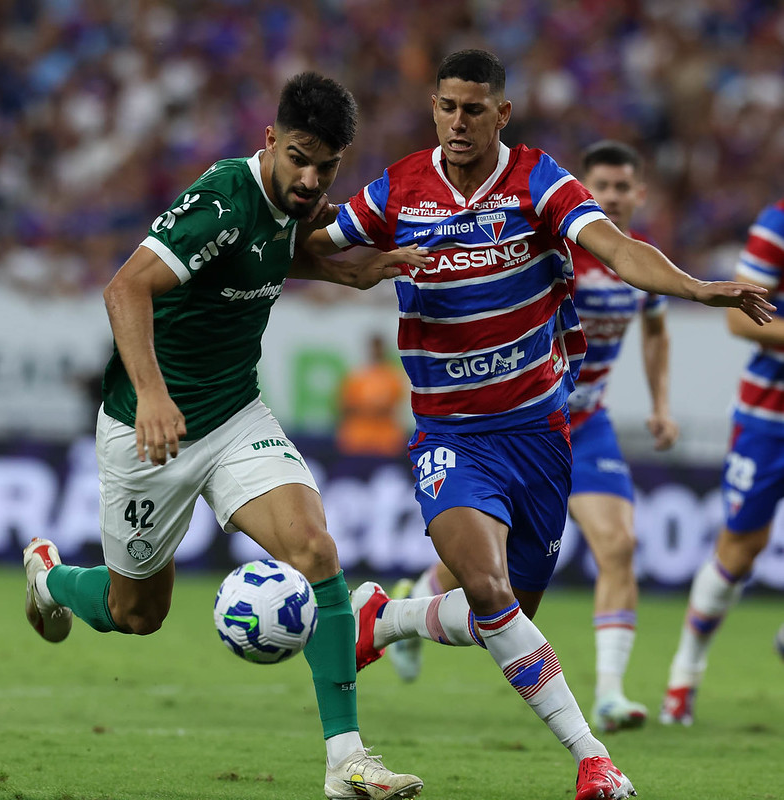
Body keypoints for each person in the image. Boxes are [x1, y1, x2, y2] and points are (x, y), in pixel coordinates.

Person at [300, 49, 773, 800]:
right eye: (447, 106)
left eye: (474, 108)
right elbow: (306, 247)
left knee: (505, 613)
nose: (459, 122)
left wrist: (698, 289)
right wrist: (348, 268)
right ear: (432, 107)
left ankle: (384, 619)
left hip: (538, 436)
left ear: (501, 113)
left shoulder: (537, 179)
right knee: (488, 590)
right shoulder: (396, 190)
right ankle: (594, 760)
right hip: (450, 435)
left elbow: (616, 249)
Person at [22, 72, 429, 800]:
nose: (309, 179)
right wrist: (151, 394)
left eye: (325, 166)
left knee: (317, 551)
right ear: (269, 141)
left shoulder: (284, 207)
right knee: (136, 613)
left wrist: (352, 273)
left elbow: (275, 253)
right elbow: (125, 288)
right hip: (149, 430)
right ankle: (48, 578)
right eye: (298, 158)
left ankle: (347, 762)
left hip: (236, 415)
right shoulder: (220, 200)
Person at [386, 141, 679, 735]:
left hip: (585, 424)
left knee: (618, 546)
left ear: (639, 194)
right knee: (483, 578)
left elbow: (654, 332)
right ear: (583, 185)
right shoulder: (555, 240)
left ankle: (612, 695)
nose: (614, 196)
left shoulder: (640, 263)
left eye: (625, 187)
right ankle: (413, 602)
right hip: (513, 420)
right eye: (603, 184)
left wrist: (660, 404)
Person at [660, 198, 784, 726]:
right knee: (740, 549)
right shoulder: (778, 223)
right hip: (769, 415)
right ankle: (683, 678)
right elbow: (740, 321)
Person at [336, 333, 408, 457]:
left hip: (385, 440)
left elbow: (390, 408)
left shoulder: (393, 376)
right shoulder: (357, 375)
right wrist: (372, 409)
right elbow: (344, 407)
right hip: (356, 439)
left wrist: (363, 408)